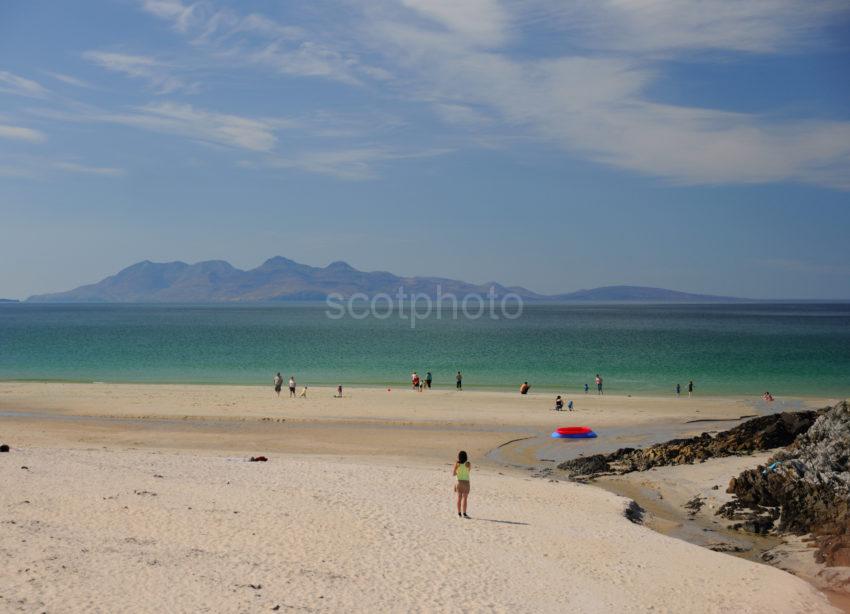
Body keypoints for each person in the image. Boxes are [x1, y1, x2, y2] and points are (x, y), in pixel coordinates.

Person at [453, 450, 471, 518]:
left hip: (459, 482)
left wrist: (458, 471)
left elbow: (454, 474)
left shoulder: (457, 464)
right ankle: (465, 513)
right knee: (465, 499)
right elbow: (468, 471)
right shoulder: (468, 464)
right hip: (466, 482)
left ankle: (459, 513)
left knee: (459, 498)